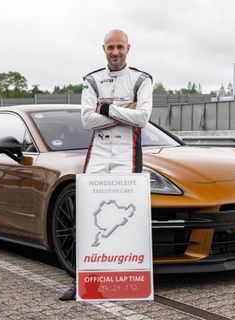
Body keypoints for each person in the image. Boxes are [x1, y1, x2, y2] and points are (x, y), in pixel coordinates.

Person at [58, 29, 153, 301]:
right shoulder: (91, 79)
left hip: (126, 153)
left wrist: (106, 108)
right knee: (89, 216)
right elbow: (87, 121)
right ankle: (83, 281)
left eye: (119, 47)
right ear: (103, 49)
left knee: (127, 216)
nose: (115, 52)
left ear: (128, 48)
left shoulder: (142, 79)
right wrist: (126, 112)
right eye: (110, 47)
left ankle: (125, 280)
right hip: (98, 152)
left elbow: (143, 118)